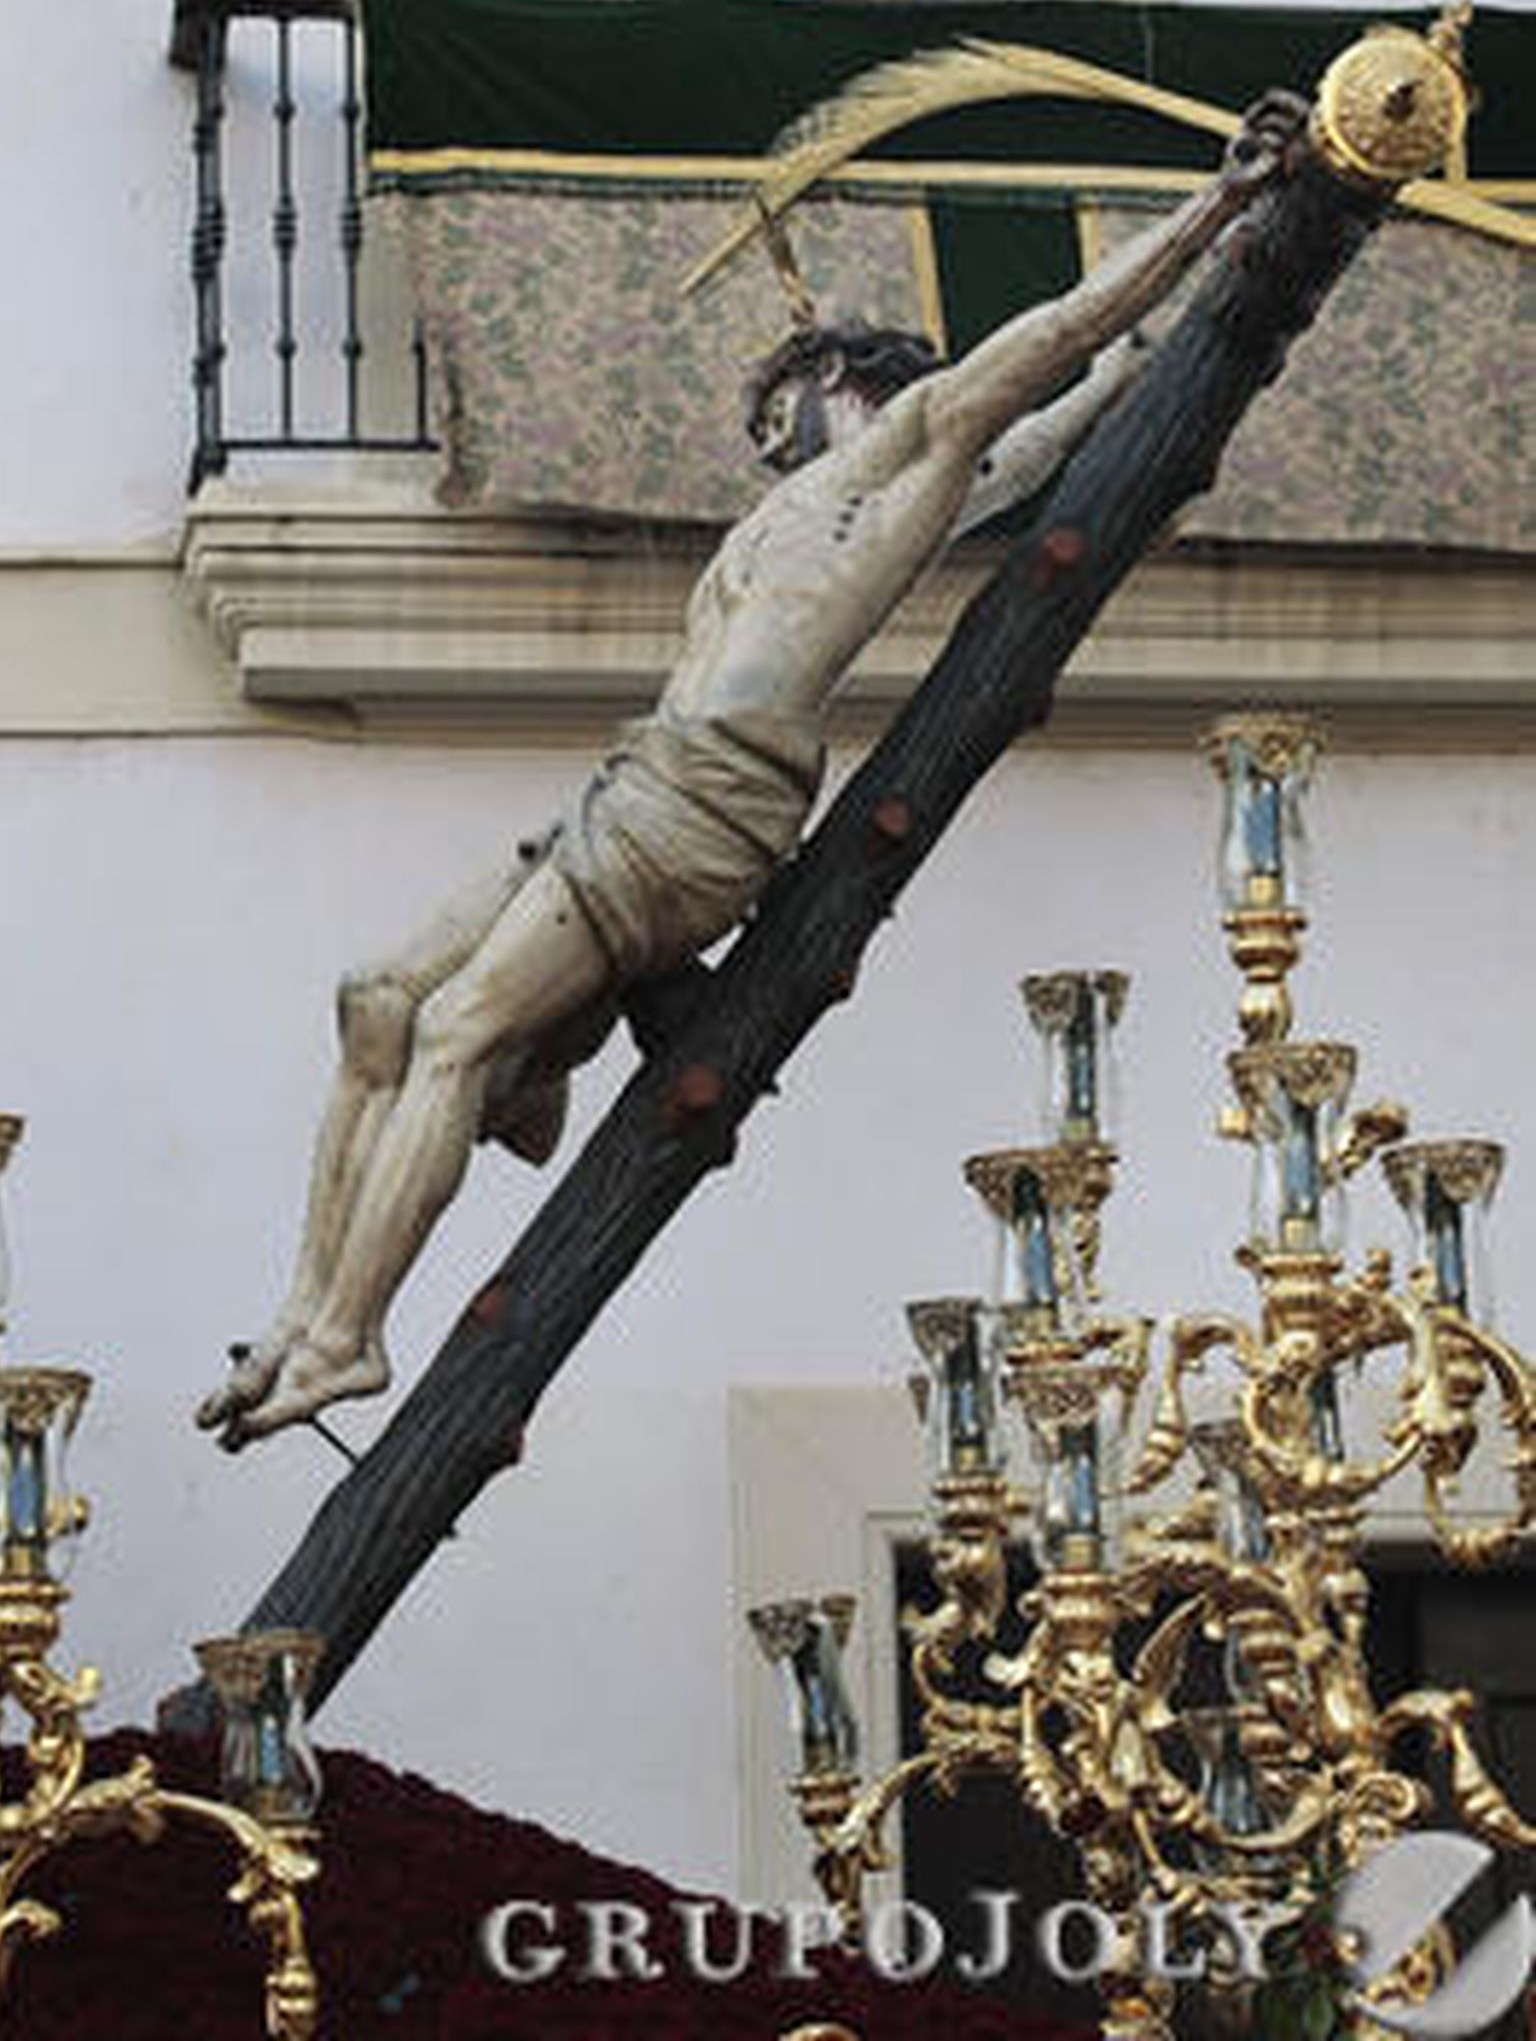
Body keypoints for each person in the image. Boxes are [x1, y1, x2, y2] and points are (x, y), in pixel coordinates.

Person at [198, 94, 1306, 1448]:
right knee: (376, 1002)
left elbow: (1058, 356)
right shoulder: (805, 510)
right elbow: (1077, 388)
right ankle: (303, 1310)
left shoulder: (916, 450)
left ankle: (352, 1342)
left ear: (840, 385)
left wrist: (1218, 207)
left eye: (779, 408)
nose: (766, 437)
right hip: (637, 784)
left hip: (697, 812)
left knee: (453, 1031)